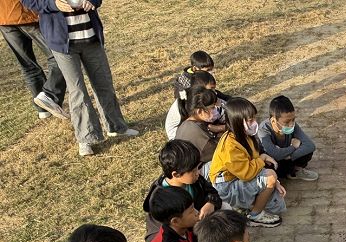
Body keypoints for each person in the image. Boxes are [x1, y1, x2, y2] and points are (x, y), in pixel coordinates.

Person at [21, 0, 138, 157]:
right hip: (63, 44)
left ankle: (117, 127)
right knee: (78, 91)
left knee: (104, 84)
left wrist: (92, 1)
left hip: (91, 37)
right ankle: (86, 137)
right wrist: (54, 4)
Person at [209, 97, 286, 228]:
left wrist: (275, 181)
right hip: (226, 186)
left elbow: (252, 163)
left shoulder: (244, 137)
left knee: (271, 180)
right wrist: (263, 161)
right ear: (237, 121)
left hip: (235, 178)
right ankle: (255, 215)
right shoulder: (230, 146)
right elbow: (247, 173)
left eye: (254, 118)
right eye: (250, 120)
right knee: (270, 177)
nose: (254, 122)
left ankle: (244, 206)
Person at [143, 139, 221, 242]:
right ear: (176, 174)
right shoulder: (160, 200)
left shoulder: (195, 180)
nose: (198, 172)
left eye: (198, 168)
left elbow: (213, 193)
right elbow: (155, 236)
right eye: (193, 170)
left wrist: (211, 203)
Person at [1, 0, 67, 120]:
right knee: (60, 56)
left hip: (5, 16)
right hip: (29, 13)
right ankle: (49, 96)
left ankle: (43, 109)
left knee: (28, 66)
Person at [258, 94, 318, 181]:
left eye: (293, 120)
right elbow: (275, 155)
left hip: (286, 158)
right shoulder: (263, 130)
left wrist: (289, 156)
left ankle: (295, 172)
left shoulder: (293, 125)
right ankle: (279, 178)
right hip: (274, 163)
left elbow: (310, 146)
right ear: (273, 121)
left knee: (307, 152)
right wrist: (293, 147)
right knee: (271, 167)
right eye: (287, 122)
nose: (291, 124)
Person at [174, 87, 224, 173]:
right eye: (212, 107)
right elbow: (219, 151)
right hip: (195, 173)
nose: (216, 110)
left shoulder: (190, 122)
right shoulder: (194, 131)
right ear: (200, 111)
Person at [165, 70, 223, 141]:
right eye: (211, 89)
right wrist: (216, 128)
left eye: (214, 89)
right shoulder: (190, 103)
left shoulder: (201, 97)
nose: (214, 92)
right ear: (199, 89)